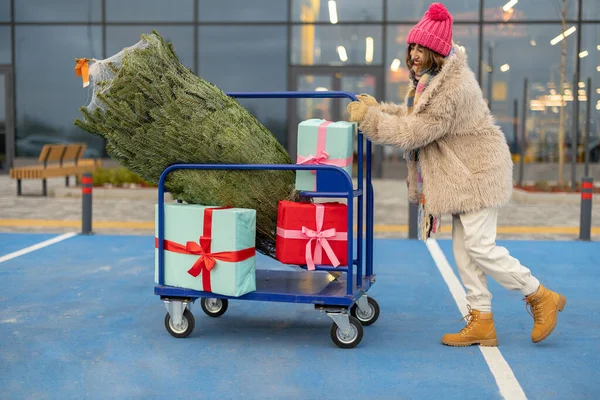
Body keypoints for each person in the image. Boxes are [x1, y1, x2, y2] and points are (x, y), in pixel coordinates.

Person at [347, 2, 566, 347]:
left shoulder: (453, 86)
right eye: (412, 47)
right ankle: (481, 322)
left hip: (478, 174)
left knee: (480, 247)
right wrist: (376, 109)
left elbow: (416, 130)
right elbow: (409, 115)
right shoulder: (429, 81)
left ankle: (540, 296)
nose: (415, 55)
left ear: (437, 52)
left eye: (422, 49)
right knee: (465, 253)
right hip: (461, 177)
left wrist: (370, 121)